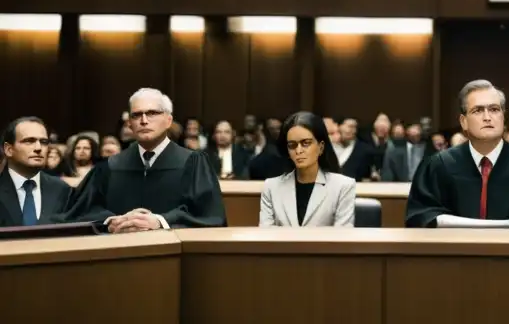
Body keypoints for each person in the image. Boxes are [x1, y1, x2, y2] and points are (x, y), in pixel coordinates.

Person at [60, 88, 226, 231]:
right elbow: (80, 211)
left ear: (168, 120)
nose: (144, 120)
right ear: (130, 124)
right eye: (137, 115)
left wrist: (161, 221)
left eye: (152, 113)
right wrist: (111, 221)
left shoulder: (193, 162)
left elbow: (210, 217)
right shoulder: (111, 166)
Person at [405, 80, 509, 229]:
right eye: (478, 110)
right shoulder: (438, 165)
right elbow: (419, 217)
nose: (487, 117)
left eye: (494, 109)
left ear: (503, 117)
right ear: (463, 121)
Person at [259, 112, 355, 228]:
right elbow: (266, 236)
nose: (298, 151)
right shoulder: (271, 187)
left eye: (306, 143)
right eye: (292, 145)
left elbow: (342, 238)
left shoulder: (343, 186)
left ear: (321, 147)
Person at [0, 117, 73, 227]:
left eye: (44, 142)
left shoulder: (61, 189)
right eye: (29, 141)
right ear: (9, 150)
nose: (38, 148)